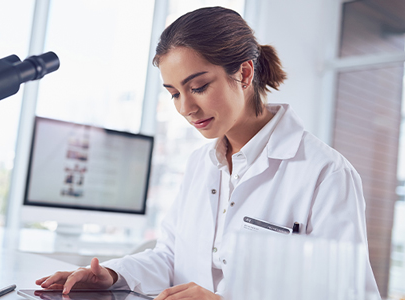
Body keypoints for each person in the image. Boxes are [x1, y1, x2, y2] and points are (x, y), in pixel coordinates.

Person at [35, 6, 381, 299]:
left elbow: (346, 293)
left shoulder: (325, 174)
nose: (186, 107)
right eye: (173, 93)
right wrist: (111, 274)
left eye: (198, 87)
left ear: (244, 73)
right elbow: (171, 256)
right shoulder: (201, 163)